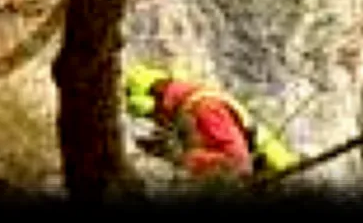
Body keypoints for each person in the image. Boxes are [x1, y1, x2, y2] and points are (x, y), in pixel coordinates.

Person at [124, 64, 299, 183]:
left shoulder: (204, 109)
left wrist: (179, 157)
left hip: (279, 178)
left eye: (150, 116)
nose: (156, 122)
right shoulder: (189, 107)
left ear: (155, 101)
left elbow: (239, 165)